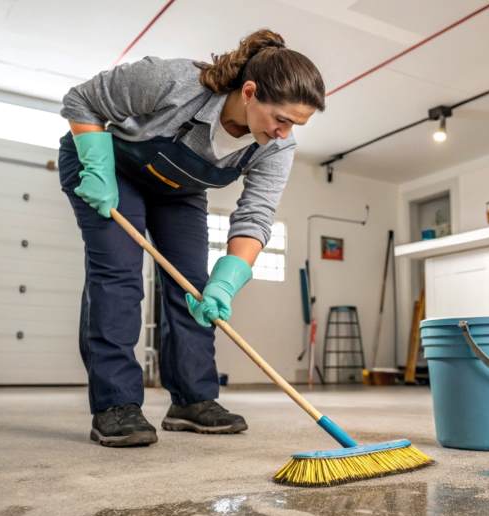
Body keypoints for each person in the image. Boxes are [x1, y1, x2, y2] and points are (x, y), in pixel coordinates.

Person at [57, 29, 325, 447]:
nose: (284, 133)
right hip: (109, 166)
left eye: (296, 125)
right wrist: (95, 165)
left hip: (179, 189)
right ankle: (116, 404)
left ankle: (192, 400)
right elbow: (82, 99)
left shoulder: (275, 148)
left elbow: (256, 215)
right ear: (250, 92)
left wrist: (230, 278)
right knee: (120, 276)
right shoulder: (176, 82)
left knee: (193, 288)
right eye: (282, 119)